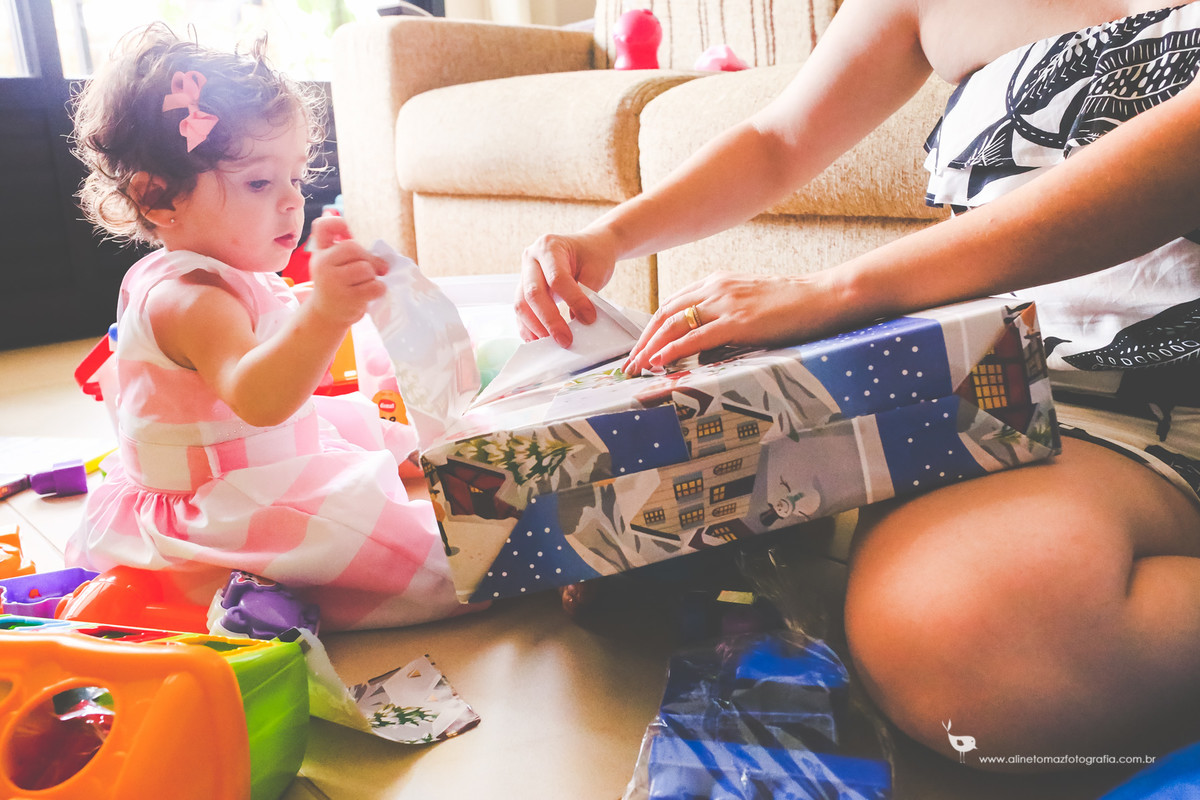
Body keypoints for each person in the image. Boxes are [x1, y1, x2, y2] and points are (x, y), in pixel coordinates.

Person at [517, 0, 1200, 767]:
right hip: (1002, 388)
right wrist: (607, 236)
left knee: (972, 645)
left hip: (1173, 405)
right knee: (945, 632)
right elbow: (776, 140)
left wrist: (833, 292)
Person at [66, 24, 465, 631]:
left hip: (247, 466)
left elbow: (265, 329)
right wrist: (326, 313)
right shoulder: (189, 298)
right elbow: (259, 397)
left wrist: (314, 297)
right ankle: (511, 566)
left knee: (372, 432)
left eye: (296, 179)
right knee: (435, 561)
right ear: (158, 198)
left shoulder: (221, 272)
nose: (290, 202)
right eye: (259, 182)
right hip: (226, 510)